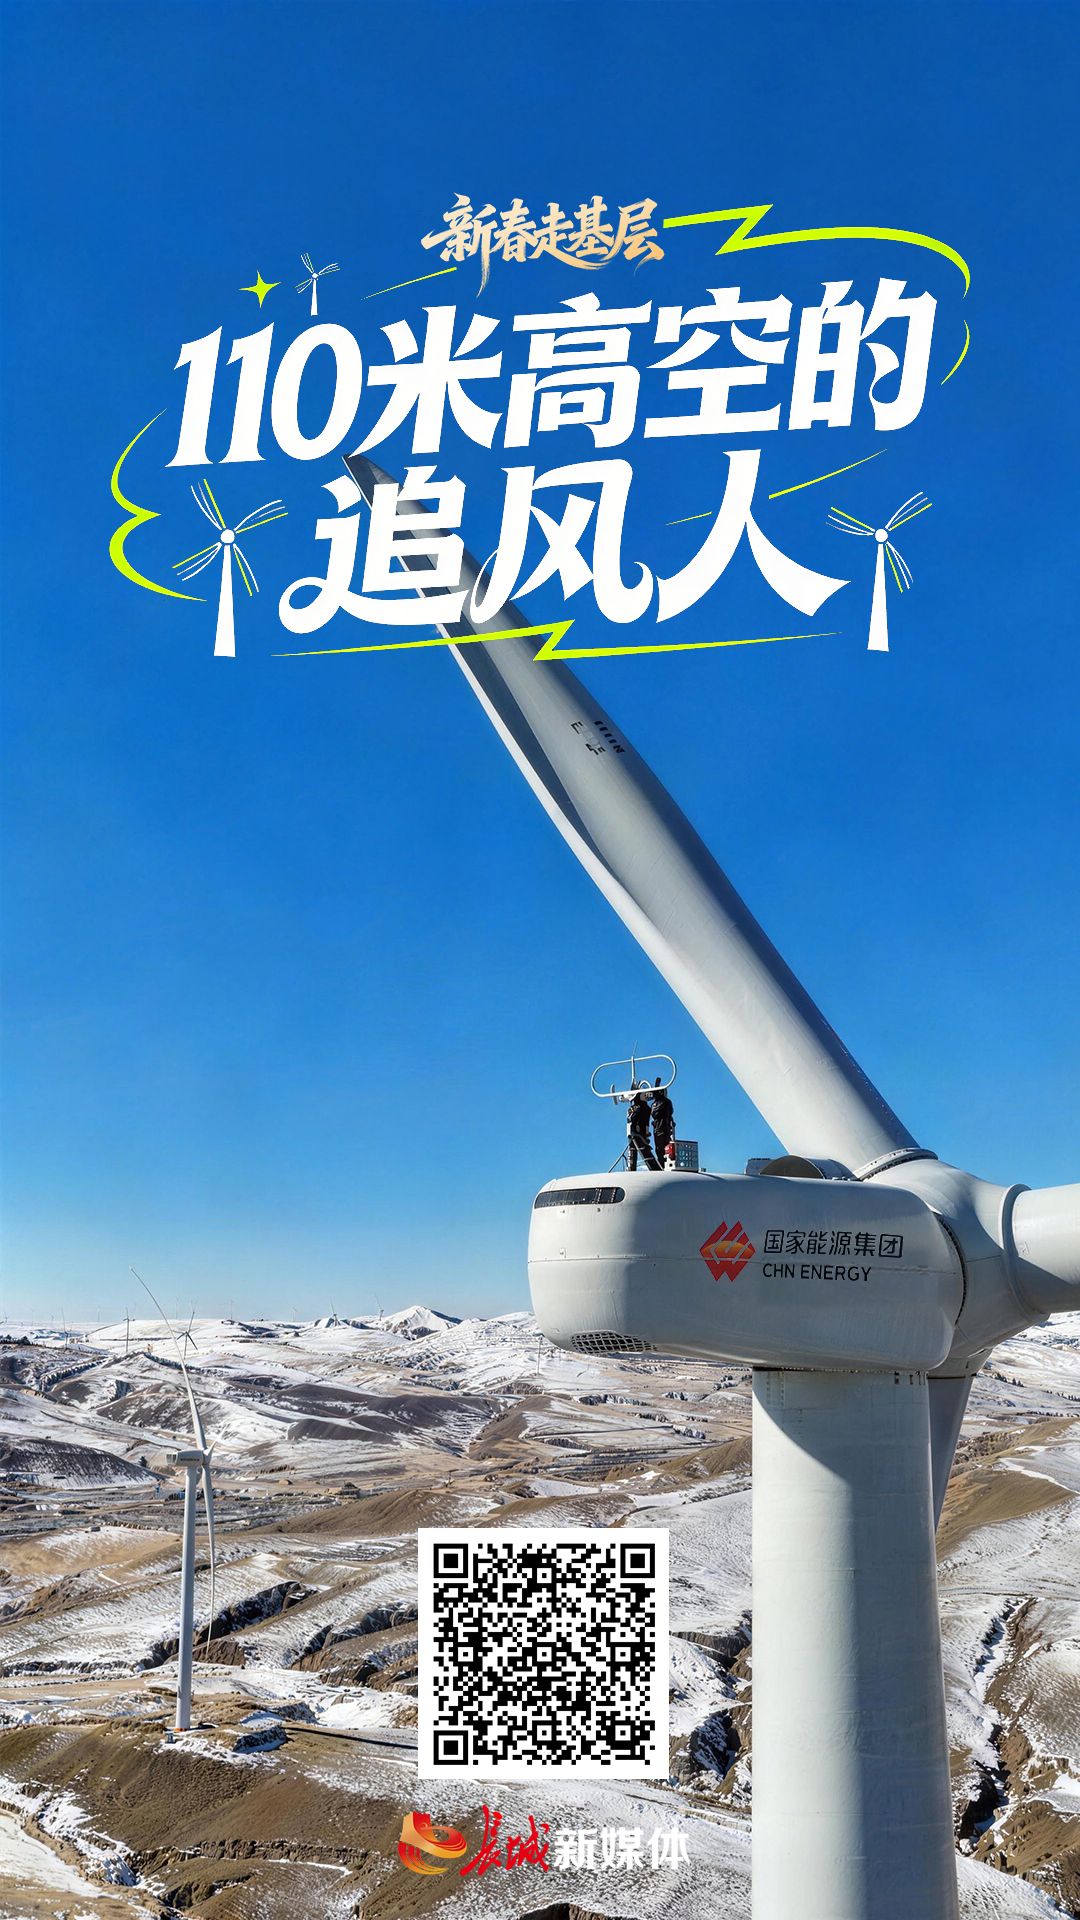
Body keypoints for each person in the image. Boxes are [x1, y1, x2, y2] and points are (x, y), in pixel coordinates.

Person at [627, 1088, 658, 1170]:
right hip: (638, 1133)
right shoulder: (643, 1108)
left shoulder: (636, 1108)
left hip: (636, 1132)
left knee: (636, 1150)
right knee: (641, 1150)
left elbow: (644, 1121)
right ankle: (654, 1168)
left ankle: (632, 1168)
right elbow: (644, 1121)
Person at [651, 1079, 675, 1168]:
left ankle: (663, 1164)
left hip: (660, 1129)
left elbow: (655, 1114)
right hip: (663, 1128)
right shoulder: (666, 1102)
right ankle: (663, 1165)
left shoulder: (656, 1104)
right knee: (663, 1148)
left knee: (661, 1149)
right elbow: (670, 1112)